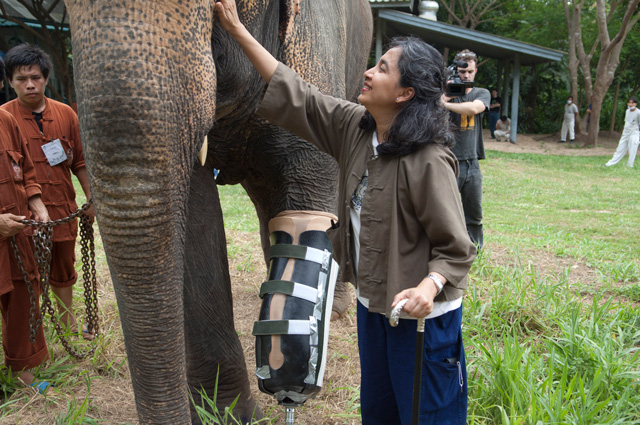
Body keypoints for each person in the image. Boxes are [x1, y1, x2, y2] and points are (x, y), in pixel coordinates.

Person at [216, 1, 476, 423]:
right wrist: (237, 31)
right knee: (378, 410)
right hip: (372, 306)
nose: (368, 73)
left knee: (426, 414)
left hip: (420, 317)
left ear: (405, 94)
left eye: (383, 69)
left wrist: (429, 289)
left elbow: (457, 248)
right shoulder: (355, 128)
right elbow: (298, 94)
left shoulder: (428, 160)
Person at [1, 44, 94, 339]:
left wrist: (91, 199)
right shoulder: (5, 118)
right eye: (21, 79)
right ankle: (32, 332)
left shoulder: (66, 114)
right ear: (10, 81)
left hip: (62, 209)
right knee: (27, 274)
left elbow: (80, 162)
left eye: (36, 78)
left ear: (46, 78)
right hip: (23, 217)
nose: (29, 85)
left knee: (63, 269)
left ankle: (67, 324)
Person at [0, 56, 52, 392]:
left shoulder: (6, 121)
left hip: (16, 233)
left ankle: (23, 374)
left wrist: (37, 204)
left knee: (23, 299)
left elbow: (27, 171)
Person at [441, 49, 490, 250]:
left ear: (475, 71)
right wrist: (444, 95)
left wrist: (445, 105)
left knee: (474, 213)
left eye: (470, 71)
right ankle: (448, 249)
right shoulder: (447, 93)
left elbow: (473, 109)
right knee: (446, 212)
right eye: (462, 72)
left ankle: (476, 249)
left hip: (472, 162)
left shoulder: (481, 93)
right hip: (450, 160)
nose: (466, 75)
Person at [605, 96, 640, 168]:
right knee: (620, 148)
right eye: (629, 103)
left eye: (632, 103)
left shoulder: (638, 112)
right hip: (625, 133)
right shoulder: (627, 111)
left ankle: (630, 165)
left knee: (632, 149)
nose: (630, 104)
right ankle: (610, 163)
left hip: (634, 133)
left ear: (635, 104)